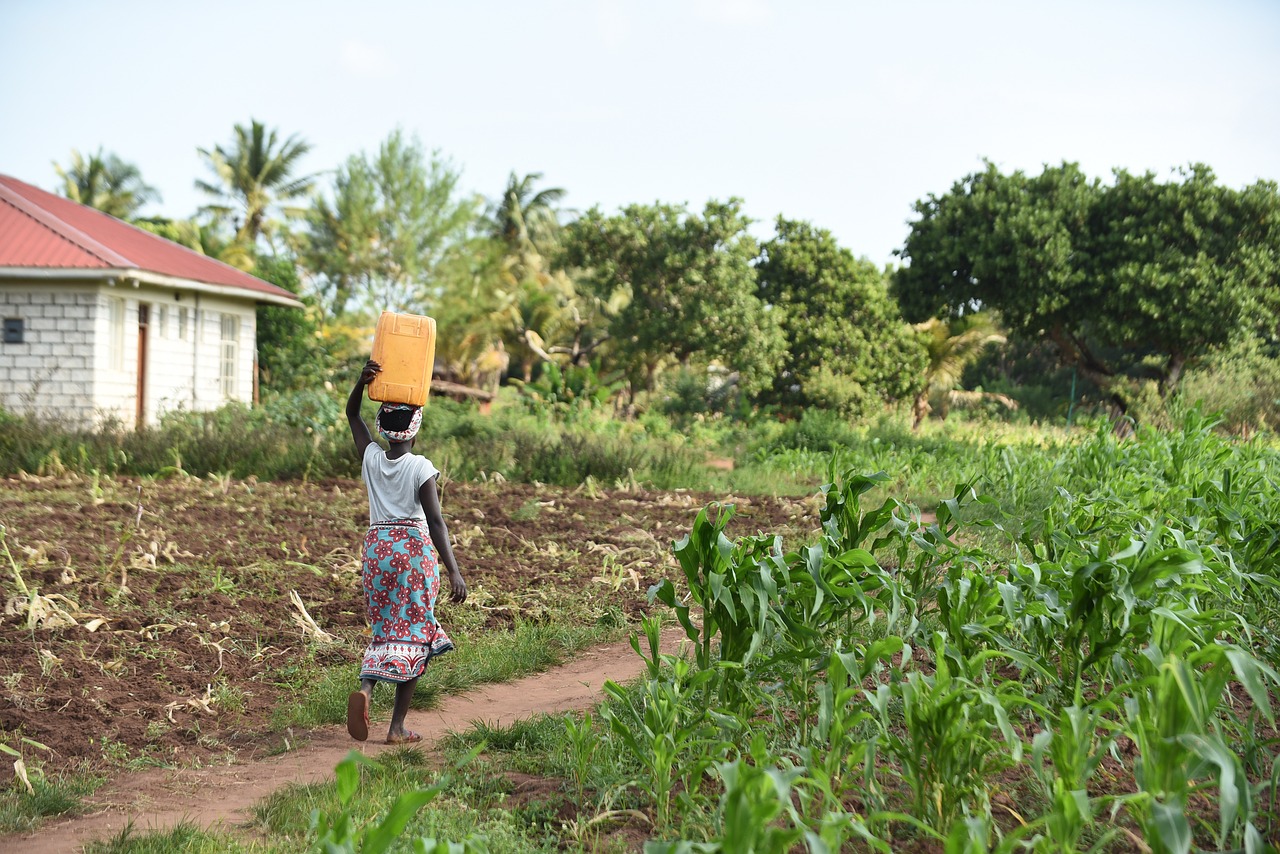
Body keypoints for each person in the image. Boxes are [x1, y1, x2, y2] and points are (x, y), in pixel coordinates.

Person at [344, 358, 467, 745]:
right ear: (416, 428)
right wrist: (453, 570)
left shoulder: (372, 458)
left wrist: (361, 385)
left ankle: (365, 690)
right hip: (412, 553)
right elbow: (436, 522)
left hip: (377, 551)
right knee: (416, 633)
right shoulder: (421, 468)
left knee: (384, 631)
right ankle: (396, 727)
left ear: (383, 426)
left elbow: (351, 415)